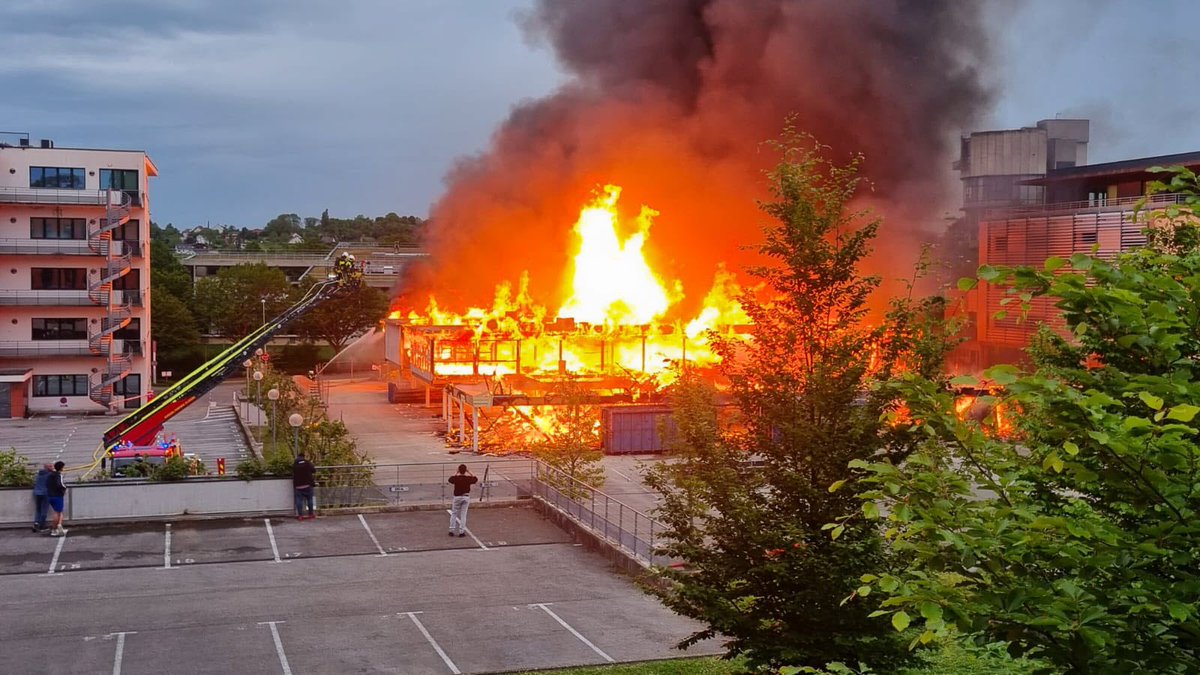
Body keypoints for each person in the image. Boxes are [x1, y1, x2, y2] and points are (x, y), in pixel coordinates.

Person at [447, 464, 478, 537]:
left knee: (454, 513)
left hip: (457, 497)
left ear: (459, 470)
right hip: (466, 497)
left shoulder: (456, 478)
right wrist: (469, 472)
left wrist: (456, 472)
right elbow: (475, 479)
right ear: (465, 471)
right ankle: (461, 531)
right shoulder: (468, 479)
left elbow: (450, 479)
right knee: (463, 515)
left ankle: (451, 530)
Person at [293, 452, 317, 520]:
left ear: (298, 457)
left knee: (299, 500)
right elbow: (314, 470)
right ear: (304, 456)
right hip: (308, 485)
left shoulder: (295, 464)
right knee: (310, 499)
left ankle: (300, 515)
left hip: (298, 485)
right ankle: (311, 514)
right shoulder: (307, 463)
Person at [46, 461, 68, 537]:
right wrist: (65, 488)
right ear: (61, 467)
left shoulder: (50, 475)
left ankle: (56, 528)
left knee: (57, 512)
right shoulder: (58, 475)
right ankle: (55, 529)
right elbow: (60, 484)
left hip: (50, 495)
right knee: (57, 512)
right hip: (57, 496)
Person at [32, 463, 52, 532]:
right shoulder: (49, 475)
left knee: (38, 509)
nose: (52, 467)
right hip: (45, 493)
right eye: (50, 466)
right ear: (47, 467)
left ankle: (36, 523)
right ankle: (42, 525)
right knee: (44, 509)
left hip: (37, 492)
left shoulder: (39, 474)